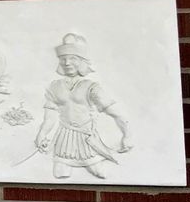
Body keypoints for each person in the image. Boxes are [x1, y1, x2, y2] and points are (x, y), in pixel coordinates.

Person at [34, 34, 129, 179]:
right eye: (63, 59)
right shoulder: (54, 86)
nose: (67, 63)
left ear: (83, 62)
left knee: (100, 174)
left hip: (87, 138)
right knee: (59, 175)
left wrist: (128, 135)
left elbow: (116, 114)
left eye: (73, 58)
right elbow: (50, 118)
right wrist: (41, 134)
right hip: (64, 138)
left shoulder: (92, 87)